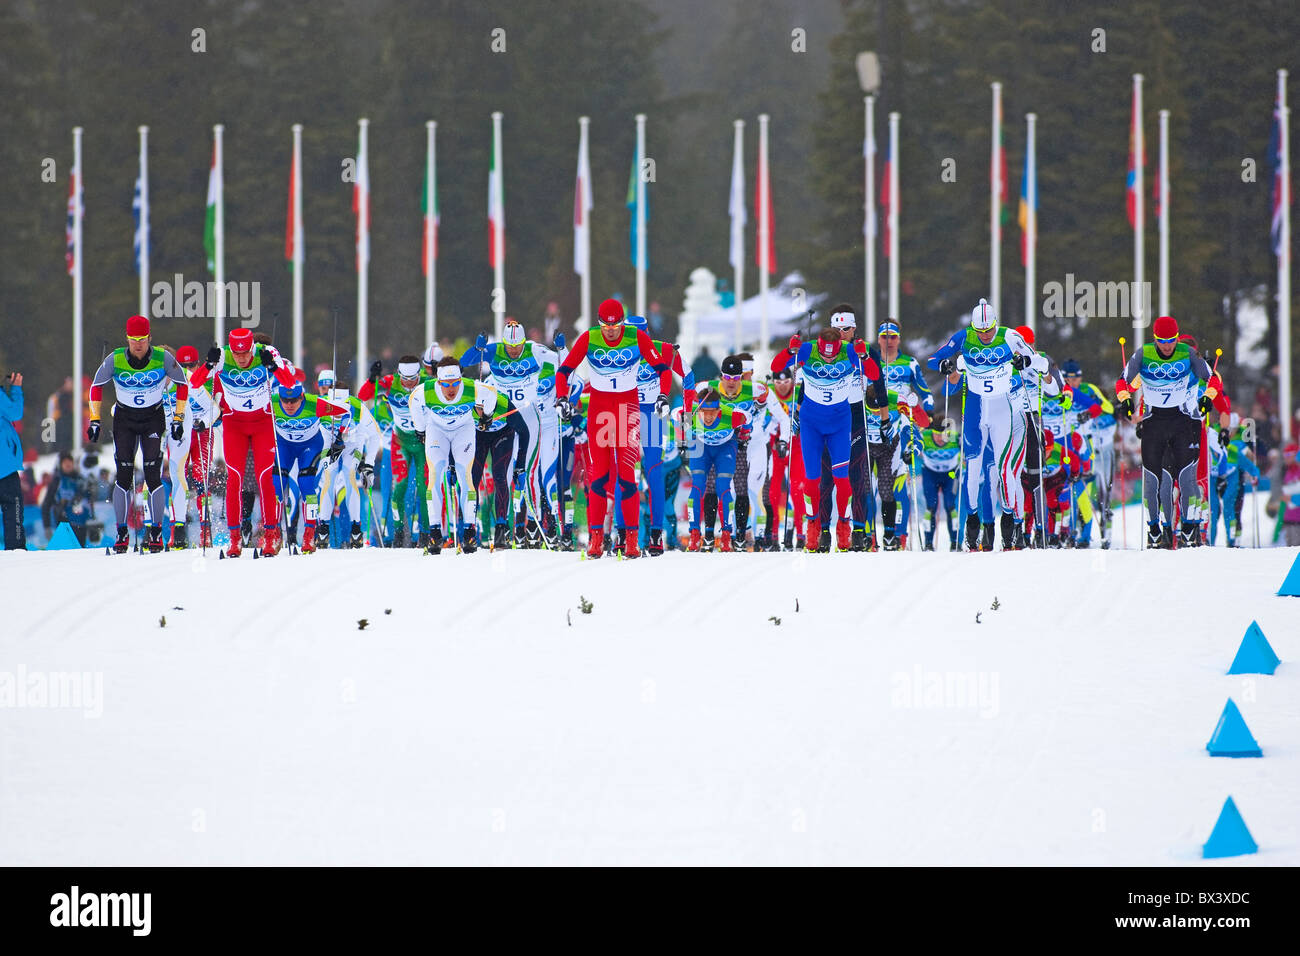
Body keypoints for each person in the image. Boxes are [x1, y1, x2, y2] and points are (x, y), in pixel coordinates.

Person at [555, 298, 669, 559]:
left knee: (627, 475)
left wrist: (663, 396)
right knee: (599, 476)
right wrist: (562, 397)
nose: (611, 331)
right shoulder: (589, 338)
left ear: (622, 323)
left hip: (627, 410)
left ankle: (630, 538)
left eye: (615, 326)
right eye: (606, 327)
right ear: (599, 324)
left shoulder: (637, 337)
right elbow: (564, 371)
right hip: (600, 411)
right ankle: (596, 538)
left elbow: (662, 370)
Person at [927, 299, 1038, 551]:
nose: (986, 337)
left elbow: (1038, 369)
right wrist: (949, 369)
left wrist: (1030, 366)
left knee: (1007, 475)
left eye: (989, 330)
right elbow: (945, 376)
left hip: (1007, 420)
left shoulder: (1008, 349)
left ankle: (1013, 526)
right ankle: (979, 526)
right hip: (976, 420)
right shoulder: (966, 352)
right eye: (981, 332)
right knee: (979, 476)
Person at [1114, 315, 1228, 548]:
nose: (1167, 346)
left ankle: (1189, 527)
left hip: (1184, 422)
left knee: (1187, 478)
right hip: (1154, 422)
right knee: (1156, 482)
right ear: (1155, 338)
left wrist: (1208, 397)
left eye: (1171, 340)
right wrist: (1125, 399)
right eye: (1162, 340)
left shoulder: (1187, 353)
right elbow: (1122, 382)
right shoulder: (1143, 353)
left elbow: (1213, 380)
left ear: (1177, 338)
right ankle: (1156, 529)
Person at [771, 325, 887, 552]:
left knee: (841, 478)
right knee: (812, 479)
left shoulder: (849, 350)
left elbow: (874, 375)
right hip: (811, 424)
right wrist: (789, 351)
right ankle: (813, 524)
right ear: (819, 346)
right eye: (824, 355)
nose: (828, 359)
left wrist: (863, 356)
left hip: (840, 424)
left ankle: (844, 526)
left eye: (832, 355)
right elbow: (776, 367)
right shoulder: (808, 349)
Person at [188, 327, 298, 557]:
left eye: (246, 353)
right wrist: (208, 365)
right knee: (234, 478)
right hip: (234, 424)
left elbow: (290, 383)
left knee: (265, 477)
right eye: (237, 355)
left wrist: (274, 367)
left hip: (262, 423)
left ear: (251, 348)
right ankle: (235, 538)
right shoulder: (222, 357)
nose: (242, 359)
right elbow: (196, 383)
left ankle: (271, 534)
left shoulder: (266, 352)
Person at [87, 316, 191, 553]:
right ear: (127, 339)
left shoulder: (162, 357)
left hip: (152, 420)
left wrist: (178, 418)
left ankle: (155, 531)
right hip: (125, 420)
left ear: (149, 338)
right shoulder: (115, 358)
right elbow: (95, 386)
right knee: (123, 475)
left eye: (142, 339)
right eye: (134, 340)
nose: (138, 344)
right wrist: (94, 419)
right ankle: (122, 532)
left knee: (153, 474)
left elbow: (182, 383)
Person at [409, 356, 510, 554]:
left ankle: (469, 532)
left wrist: (487, 417)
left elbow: (492, 394)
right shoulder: (426, 390)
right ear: (438, 381)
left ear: (460, 379)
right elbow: (413, 401)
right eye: (446, 384)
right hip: (436, 430)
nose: (451, 389)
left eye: (455, 383)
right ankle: (435, 533)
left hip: (464, 430)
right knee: (435, 476)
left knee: (465, 477)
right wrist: (420, 429)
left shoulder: (472, 387)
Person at [617, 314, 694, 556]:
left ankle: (655, 536)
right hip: (624, 415)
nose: (634, 341)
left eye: (639, 336)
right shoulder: (616, 351)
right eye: (629, 336)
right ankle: (623, 535)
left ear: (647, 333)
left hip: (652, 416)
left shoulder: (663, 350)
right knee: (625, 476)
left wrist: (688, 414)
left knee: (653, 474)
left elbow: (689, 377)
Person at [270, 381, 349, 553]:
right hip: (284, 446)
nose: (289, 405)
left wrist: (340, 438)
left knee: (306, 484)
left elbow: (347, 412)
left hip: (310, 447)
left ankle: (309, 534)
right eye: (285, 400)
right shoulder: (272, 400)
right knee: (277, 486)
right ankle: (273, 533)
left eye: (293, 401)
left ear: (302, 397)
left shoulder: (316, 403)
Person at [678, 388, 749, 551]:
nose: (708, 417)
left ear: (719, 410)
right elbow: (677, 413)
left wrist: (744, 436)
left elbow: (748, 420)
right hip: (701, 447)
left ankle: (726, 536)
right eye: (704, 412)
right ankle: (694, 535)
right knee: (697, 486)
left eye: (713, 412)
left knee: (723, 487)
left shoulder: (732, 415)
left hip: (725, 448)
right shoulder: (691, 414)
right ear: (699, 409)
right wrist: (681, 437)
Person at [41, 452, 92, 545]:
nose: (68, 465)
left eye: (70, 462)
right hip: (63, 523)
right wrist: (47, 526)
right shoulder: (57, 481)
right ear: (60, 465)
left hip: (81, 524)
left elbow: (88, 499)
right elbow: (46, 504)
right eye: (65, 463)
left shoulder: (80, 479)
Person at [0, 371, 26, 550]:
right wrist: (16, 389)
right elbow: (15, 413)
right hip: (4, 466)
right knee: (13, 508)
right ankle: (16, 549)